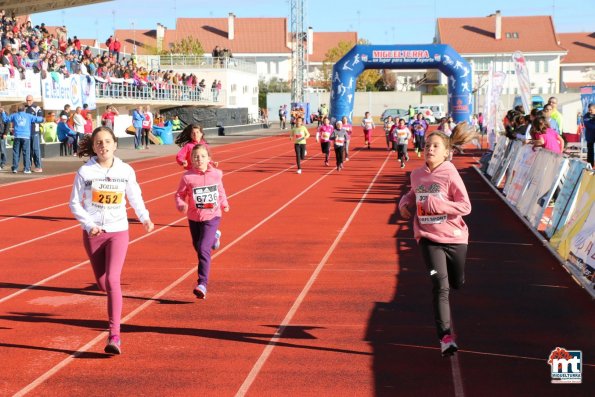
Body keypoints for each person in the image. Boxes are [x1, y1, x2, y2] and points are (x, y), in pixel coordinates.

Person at [69, 126, 154, 354]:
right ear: (94, 147)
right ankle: (113, 320)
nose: (103, 146)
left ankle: (114, 334)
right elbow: (74, 203)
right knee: (103, 283)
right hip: (94, 234)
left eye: (107, 141)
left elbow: (135, 196)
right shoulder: (85, 172)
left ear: (115, 144)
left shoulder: (125, 170)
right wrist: (89, 225)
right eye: (99, 142)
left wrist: (144, 217)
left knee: (114, 280)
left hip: (118, 231)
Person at [398, 122, 476, 357]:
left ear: (446, 151)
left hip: (454, 238)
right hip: (428, 238)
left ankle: (457, 279)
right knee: (439, 285)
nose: (430, 149)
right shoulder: (417, 174)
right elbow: (414, 192)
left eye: (436, 146)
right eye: (428, 145)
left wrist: (441, 204)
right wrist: (405, 202)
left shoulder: (450, 173)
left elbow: (466, 206)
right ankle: (445, 337)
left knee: (456, 282)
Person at [175, 144, 229, 299]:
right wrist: (181, 204)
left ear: (209, 159)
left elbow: (220, 190)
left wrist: (224, 203)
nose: (199, 159)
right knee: (198, 247)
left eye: (202, 156)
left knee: (203, 249)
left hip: (212, 216)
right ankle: (215, 238)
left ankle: (202, 284)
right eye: (196, 157)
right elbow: (179, 194)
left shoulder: (217, 174)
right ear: (191, 159)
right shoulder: (187, 177)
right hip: (194, 217)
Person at [9, 105, 44, 174]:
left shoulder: (14, 115)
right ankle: (26, 169)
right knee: (26, 153)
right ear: (24, 110)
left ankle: (15, 168)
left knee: (16, 153)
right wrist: (42, 119)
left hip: (17, 136)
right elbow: (38, 119)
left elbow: (6, 119)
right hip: (26, 137)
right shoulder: (28, 116)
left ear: (18, 110)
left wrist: (3, 113)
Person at [25, 95, 44, 173]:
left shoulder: (37, 108)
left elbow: (41, 119)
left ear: (32, 100)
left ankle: (38, 166)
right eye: (27, 100)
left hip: (35, 131)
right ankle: (27, 166)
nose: (28, 102)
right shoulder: (25, 109)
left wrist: (32, 119)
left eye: (30, 100)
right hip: (26, 132)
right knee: (27, 150)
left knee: (36, 149)